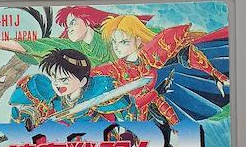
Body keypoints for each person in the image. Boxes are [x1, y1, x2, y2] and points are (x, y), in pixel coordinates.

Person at [94, 15, 230, 139]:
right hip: (132, 119)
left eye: (124, 42)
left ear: (138, 40)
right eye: (114, 42)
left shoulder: (150, 56)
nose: (116, 47)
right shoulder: (114, 70)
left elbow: (185, 52)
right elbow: (95, 80)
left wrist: (216, 74)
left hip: (160, 107)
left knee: (176, 134)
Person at [0, 6, 153, 67]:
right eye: (67, 25)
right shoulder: (75, 49)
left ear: (87, 21)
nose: (69, 29)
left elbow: (150, 35)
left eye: (72, 23)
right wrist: (0, 44)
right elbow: (41, 46)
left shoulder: (111, 32)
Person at [9, 48, 137, 128]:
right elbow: (20, 114)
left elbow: (128, 107)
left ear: (82, 81)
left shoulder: (98, 90)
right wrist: (29, 118)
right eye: (54, 78)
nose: (57, 84)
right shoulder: (47, 92)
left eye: (64, 79)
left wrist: (130, 132)